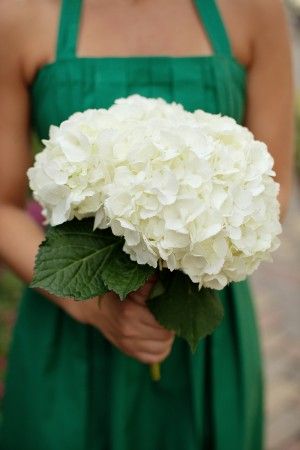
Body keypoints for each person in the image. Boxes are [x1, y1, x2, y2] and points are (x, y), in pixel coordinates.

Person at [0, 1, 294, 449]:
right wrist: (92, 305)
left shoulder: (254, 9)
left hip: (200, 332)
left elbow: (271, 193)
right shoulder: (20, 14)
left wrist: (187, 248)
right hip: (70, 330)